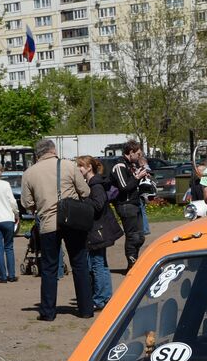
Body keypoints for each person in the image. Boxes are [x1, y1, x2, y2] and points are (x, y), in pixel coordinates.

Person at [21, 137, 91, 321]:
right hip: (72, 221)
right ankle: (85, 309)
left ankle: (48, 312)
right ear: (53, 150)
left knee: (49, 267)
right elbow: (85, 192)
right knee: (79, 263)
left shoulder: (29, 173)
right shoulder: (68, 166)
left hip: (48, 224)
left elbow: (27, 203)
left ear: (37, 155)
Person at [78, 155, 122, 311]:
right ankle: (105, 296)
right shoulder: (93, 183)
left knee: (98, 264)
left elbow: (98, 205)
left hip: (98, 230)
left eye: (80, 166)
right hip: (98, 229)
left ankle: (102, 298)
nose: (78, 169)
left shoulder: (95, 185)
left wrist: (82, 200)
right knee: (100, 263)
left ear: (89, 167)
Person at [109, 140, 150, 270]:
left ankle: (135, 261)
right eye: (138, 154)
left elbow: (133, 184)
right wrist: (137, 177)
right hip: (125, 205)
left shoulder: (130, 164)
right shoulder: (119, 165)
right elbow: (124, 187)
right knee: (133, 237)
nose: (139, 157)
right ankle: (132, 265)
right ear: (131, 152)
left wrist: (143, 178)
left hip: (135, 203)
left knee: (140, 237)